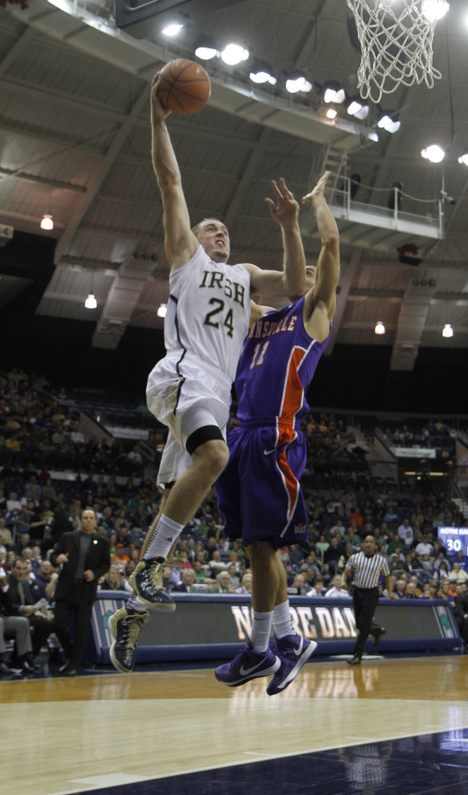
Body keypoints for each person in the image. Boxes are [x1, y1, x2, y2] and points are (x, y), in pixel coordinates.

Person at [108, 73, 306, 672]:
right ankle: (149, 569)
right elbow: (170, 181)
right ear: (193, 239)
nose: (219, 232)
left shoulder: (245, 279)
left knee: (179, 496)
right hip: (182, 374)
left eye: (225, 229)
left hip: (216, 398)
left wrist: (290, 226)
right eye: (210, 227)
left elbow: (296, 288)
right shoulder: (187, 260)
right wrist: (157, 118)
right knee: (215, 458)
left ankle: (130, 611)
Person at [211, 170, 339, 694]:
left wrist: (315, 206)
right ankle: (283, 643)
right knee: (257, 549)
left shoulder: (312, 314)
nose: (304, 272)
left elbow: (329, 246)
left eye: (310, 271)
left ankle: (263, 648)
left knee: (262, 547)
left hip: (275, 435)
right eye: (298, 269)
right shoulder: (261, 318)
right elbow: (225, 291)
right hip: (241, 435)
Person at [50, 508, 111, 676]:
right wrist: (57, 558)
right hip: (66, 588)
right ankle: (71, 654)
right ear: (80, 520)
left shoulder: (102, 542)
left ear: (95, 521)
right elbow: (54, 554)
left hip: (85, 590)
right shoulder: (68, 537)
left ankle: (73, 665)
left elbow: (106, 564)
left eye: (91, 518)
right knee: (58, 624)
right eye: (85, 517)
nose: (88, 520)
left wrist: (95, 573)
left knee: (81, 630)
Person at [343, 535, 396, 665]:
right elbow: (346, 571)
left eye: (371, 542)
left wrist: (390, 592)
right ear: (362, 544)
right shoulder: (355, 558)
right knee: (359, 624)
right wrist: (343, 581)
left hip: (371, 593)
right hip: (357, 592)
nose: (368, 544)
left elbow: (387, 576)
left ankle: (357, 655)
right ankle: (377, 631)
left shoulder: (381, 560)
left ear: (375, 546)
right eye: (366, 542)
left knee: (364, 624)